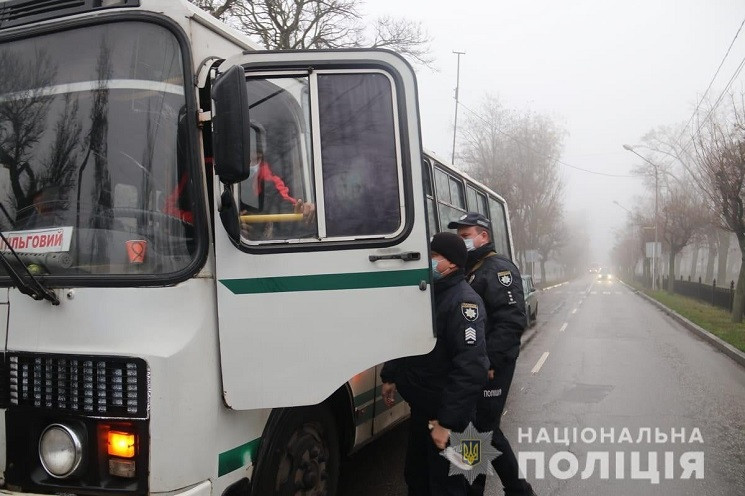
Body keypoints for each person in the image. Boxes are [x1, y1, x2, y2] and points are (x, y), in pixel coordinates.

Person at [381, 231, 489, 496]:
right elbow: (410, 340)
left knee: (452, 486)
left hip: (453, 416)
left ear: (451, 263)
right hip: (426, 409)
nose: (429, 262)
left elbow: (471, 368)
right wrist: (390, 375)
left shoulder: (465, 303)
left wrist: (447, 422)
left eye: (434, 257)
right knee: (417, 478)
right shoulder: (430, 296)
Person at [447, 212, 537, 496]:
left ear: (483, 235)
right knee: (478, 427)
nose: (463, 241)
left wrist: (488, 363)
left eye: (466, 235)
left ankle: (507, 489)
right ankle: (516, 489)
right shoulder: (473, 266)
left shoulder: (498, 268)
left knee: (481, 427)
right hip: (478, 364)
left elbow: (511, 323)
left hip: (493, 366)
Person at [238, 124, 314, 239]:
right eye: (247, 158)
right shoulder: (220, 182)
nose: (251, 164)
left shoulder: (271, 183)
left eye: (257, 158)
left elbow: (289, 205)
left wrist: (304, 212)